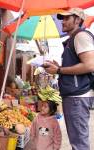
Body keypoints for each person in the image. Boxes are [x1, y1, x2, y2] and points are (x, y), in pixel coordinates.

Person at [43, 8, 94, 150]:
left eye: (67, 18)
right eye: (62, 19)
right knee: (77, 140)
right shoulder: (74, 39)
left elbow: (90, 65)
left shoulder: (81, 36)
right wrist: (58, 67)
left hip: (77, 96)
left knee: (79, 143)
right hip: (75, 96)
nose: (63, 22)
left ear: (77, 20)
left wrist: (59, 70)